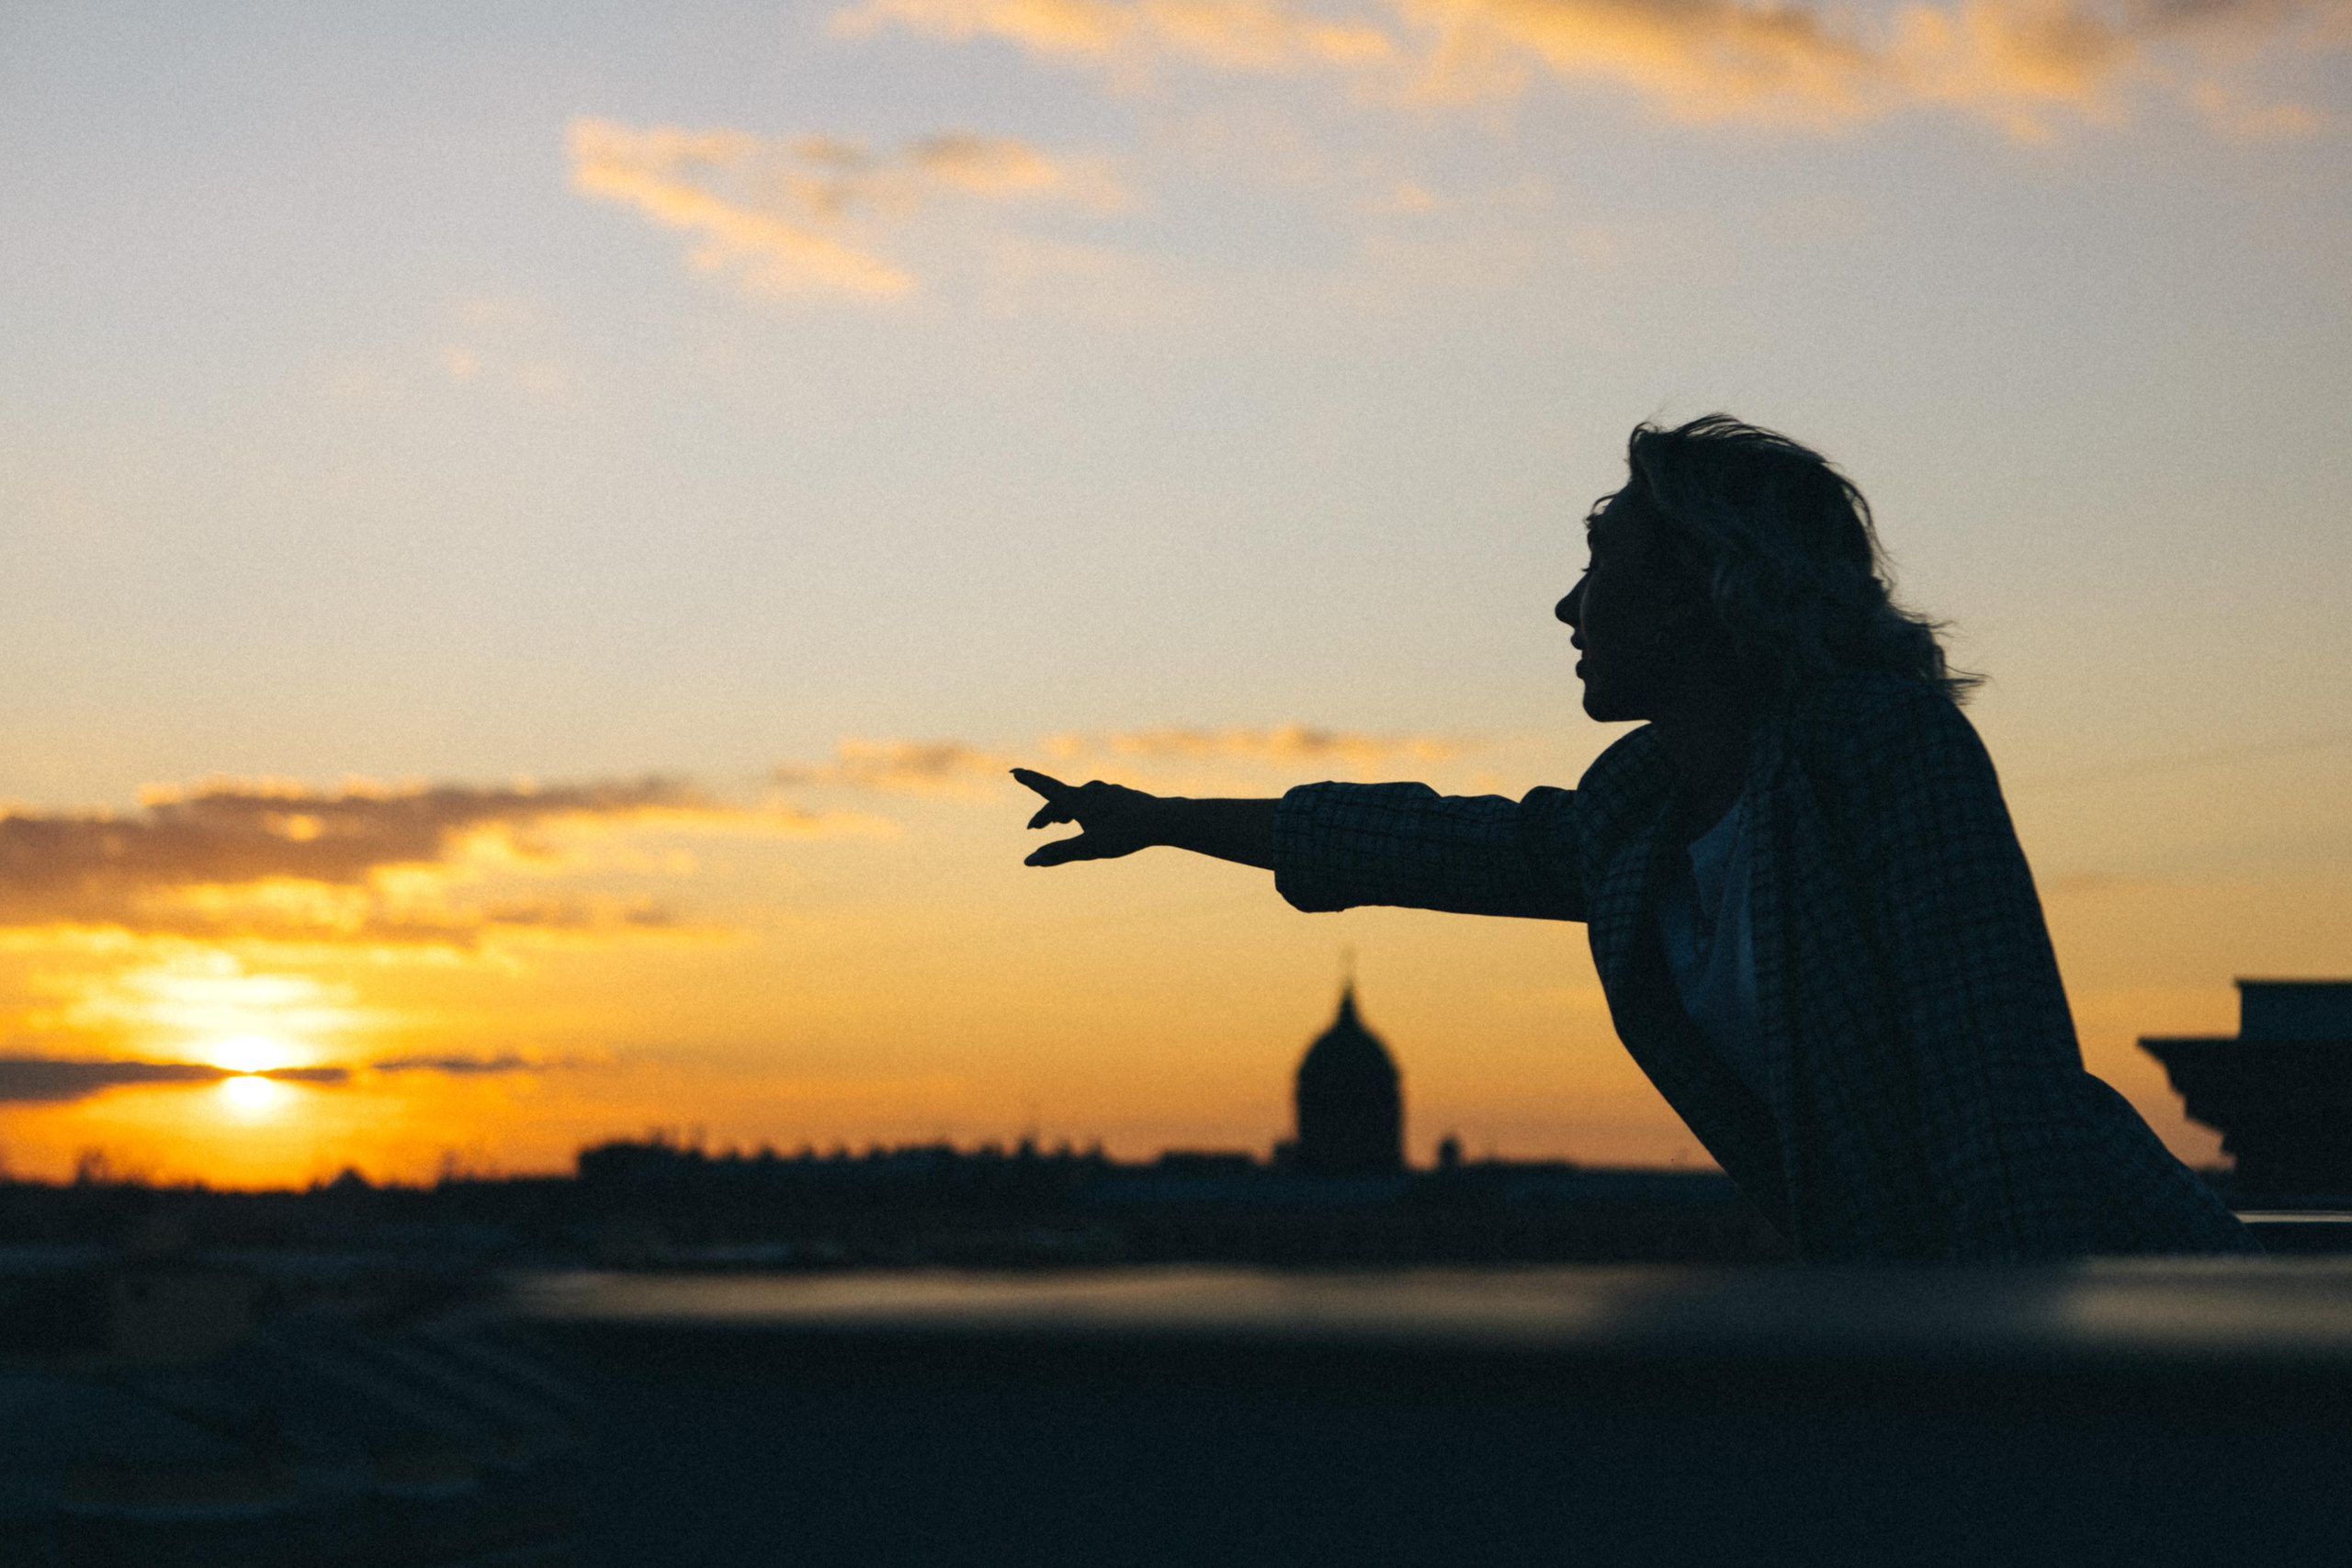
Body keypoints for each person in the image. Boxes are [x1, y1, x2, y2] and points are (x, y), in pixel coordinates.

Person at [1013, 415, 2256, 1262]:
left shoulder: (1884, 747)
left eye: (1599, 563)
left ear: (1713, 585)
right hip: (1937, 1330)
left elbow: (2005, 1102)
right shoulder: (1641, 811)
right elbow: (1425, 842)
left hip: (2111, 1324)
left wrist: (2000, 1390)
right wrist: (1165, 822)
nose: (1565, 604)